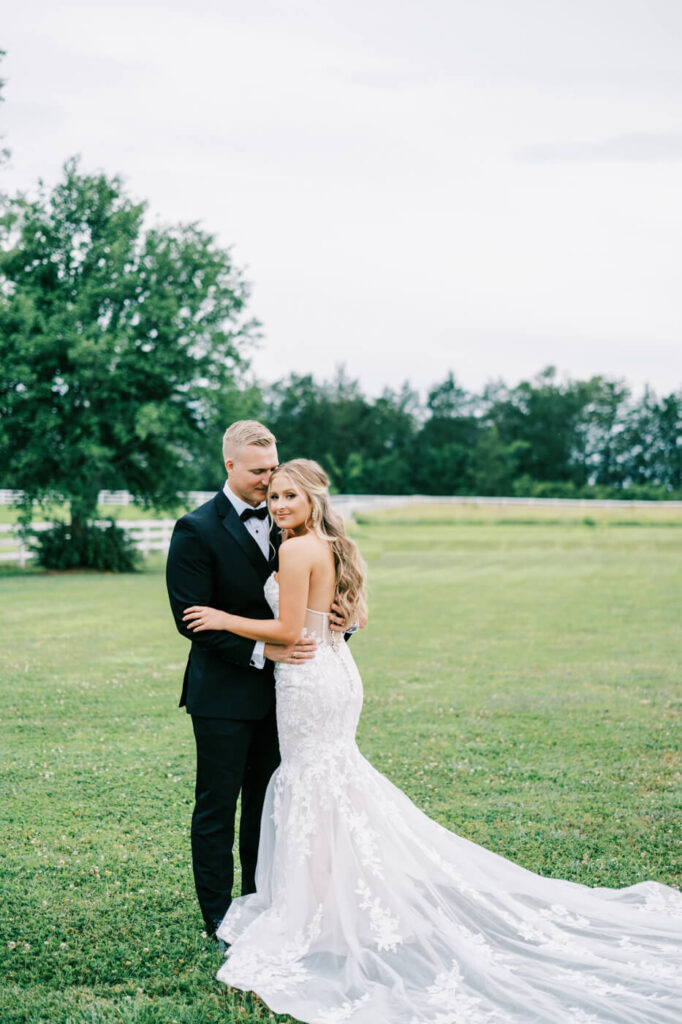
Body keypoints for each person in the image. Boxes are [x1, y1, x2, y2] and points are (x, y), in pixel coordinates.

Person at [183, 459, 682, 1024]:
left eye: (289, 497)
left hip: (306, 677)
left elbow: (289, 630)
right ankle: (329, 905)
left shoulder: (296, 549)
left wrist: (224, 617)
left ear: (312, 499)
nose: (278, 506)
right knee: (330, 782)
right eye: (273, 496)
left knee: (314, 782)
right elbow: (339, 620)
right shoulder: (322, 542)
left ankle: (320, 913)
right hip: (332, 670)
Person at [166, 421, 321, 938]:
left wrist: (333, 628)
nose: (269, 482)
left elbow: (318, 593)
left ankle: (260, 902)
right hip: (222, 695)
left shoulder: (290, 519)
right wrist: (264, 649)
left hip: (286, 695)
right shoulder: (196, 528)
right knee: (217, 805)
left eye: (274, 469)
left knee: (267, 803)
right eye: (258, 472)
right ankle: (217, 916)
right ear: (229, 465)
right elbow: (191, 619)